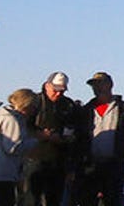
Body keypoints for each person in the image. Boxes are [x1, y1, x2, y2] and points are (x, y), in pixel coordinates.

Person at [76, 73, 124, 206]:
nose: (96, 87)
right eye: (94, 85)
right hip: (90, 166)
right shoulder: (86, 110)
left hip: (115, 165)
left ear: (110, 85)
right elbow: (79, 137)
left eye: (100, 83)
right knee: (87, 200)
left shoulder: (123, 109)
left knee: (114, 200)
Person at [0, 89, 41, 206]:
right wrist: (36, 140)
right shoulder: (11, 120)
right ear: (27, 105)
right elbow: (13, 147)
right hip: (1, 173)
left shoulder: (5, 117)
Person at [33, 73, 80, 206]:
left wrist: (65, 139)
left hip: (58, 160)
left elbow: (75, 131)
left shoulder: (69, 105)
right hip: (34, 160)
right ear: (47, 86)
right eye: (55, 90)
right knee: (30, 199)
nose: (58, 94)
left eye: (62, 91)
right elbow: (24, 127)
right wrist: (41, 135)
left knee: (54, 199)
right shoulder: (35, 102)